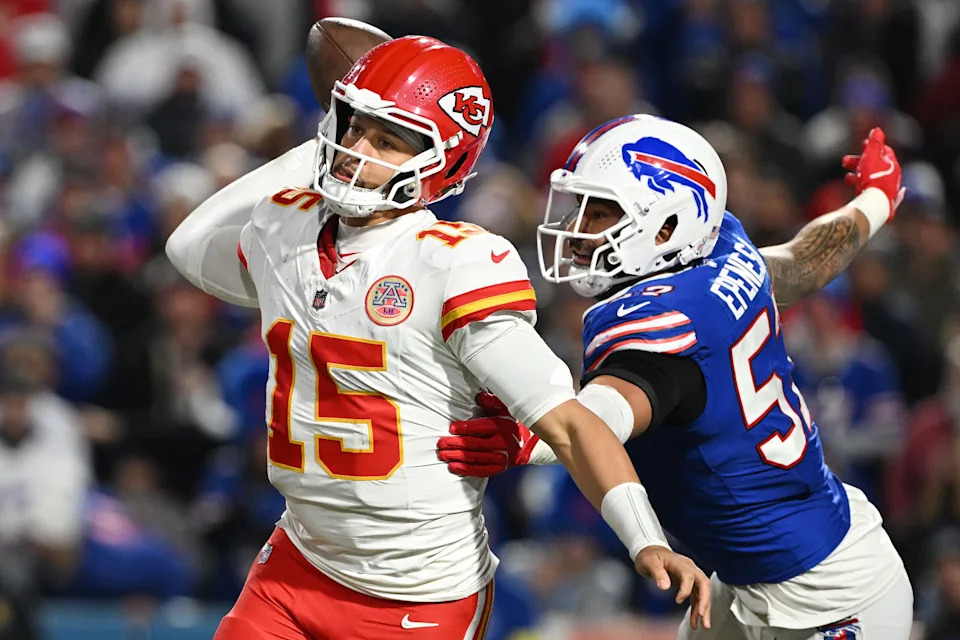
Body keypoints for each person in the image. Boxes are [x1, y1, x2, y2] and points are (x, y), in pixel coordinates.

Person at [166, 36, 710, 639]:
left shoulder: (452, 263)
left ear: (439, 162)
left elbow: (569, 423)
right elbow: (188, 248)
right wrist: (311, 146)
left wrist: (645, 539)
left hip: (418, 596)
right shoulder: (284, 224)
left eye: (387, 139)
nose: (353, 151)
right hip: (298, 562)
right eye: (350, 125)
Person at [438, 117, 913, 638]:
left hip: (829, 596)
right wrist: (877, 200)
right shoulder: (720, 249)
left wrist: (527, 438)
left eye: (600, 213)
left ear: (666, 227)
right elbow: (802, 264)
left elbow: (600, 418)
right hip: (749, 582)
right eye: (581, 208)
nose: (576, 229)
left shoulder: (660, 329)